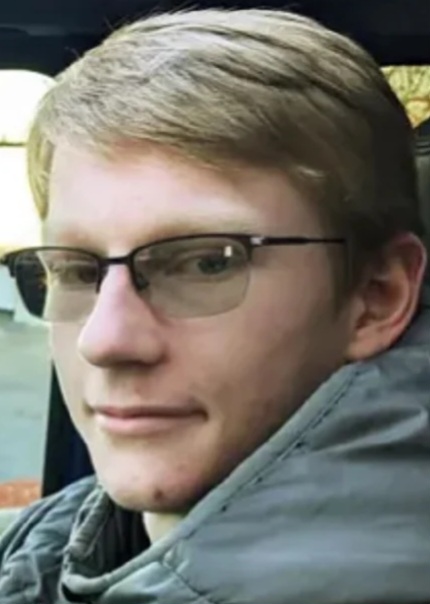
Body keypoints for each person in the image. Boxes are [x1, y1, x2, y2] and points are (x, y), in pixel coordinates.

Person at [1, 7, 430, 603]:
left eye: (207, 263)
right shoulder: (53, 541)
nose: (103, 341)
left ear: (377, 296)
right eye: (76, 270)